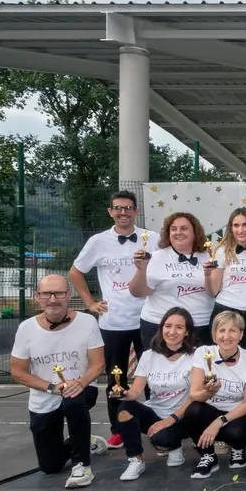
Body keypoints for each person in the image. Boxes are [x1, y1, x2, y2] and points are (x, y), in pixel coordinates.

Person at [69, 190, 159, 450]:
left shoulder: (150, 239)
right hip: (113, 321)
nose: (123, 212)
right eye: (118, 208)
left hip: (148, 319)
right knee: (115, 377)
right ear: (110, 212)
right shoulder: (98, 241)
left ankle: (157, 423)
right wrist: (90, 303)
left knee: (154, 374)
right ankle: (118, 428)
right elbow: (75, 273)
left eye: (128, 208)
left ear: (135, 212)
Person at [10, 274, 105, 488]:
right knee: (50, 467)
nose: (53, 299)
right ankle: (83, 440)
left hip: (81, 388)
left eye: (59, 293)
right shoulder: (26, 328)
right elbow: (17, 372)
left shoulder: (87, 322)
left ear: (69, 295)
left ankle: (82, 465)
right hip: (45, 396)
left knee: (73, 400)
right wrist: (52, 388)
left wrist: (80, 383)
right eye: (46, 293)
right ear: (37, 297)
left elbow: (98, 364)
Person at [111, 307, 197, 480]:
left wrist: (169, 420)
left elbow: (194, 396)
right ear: (161, 328)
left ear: (187, 332)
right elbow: (136, 391)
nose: (172, 332)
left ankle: (174, 445)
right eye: (168, 326)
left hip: (181, 416)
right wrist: (123, 393)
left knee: (162, 440)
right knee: (124, 407)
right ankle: (135, 459)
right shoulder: (149, 356)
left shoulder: (196, 356)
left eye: (179, 327)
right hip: (154, 413)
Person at [180, 311, 246, 478]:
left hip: (236, 414)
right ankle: (207, 455)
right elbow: (195, 394)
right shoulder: (203, 353)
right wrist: (208, 392)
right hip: (209, 411)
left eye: (232, 330)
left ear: (241, 335)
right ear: (214, 334)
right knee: (193, 411)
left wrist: (219, 422)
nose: (226, 336)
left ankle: (238, 448)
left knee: (238, 433)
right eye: (221, 330)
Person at [130, 211, 214, 348]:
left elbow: (214, 291)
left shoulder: (209, 257)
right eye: (173, 229)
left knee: (199, 369)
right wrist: (140, 269)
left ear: (195, 232)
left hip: (200, 325)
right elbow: (137, 292)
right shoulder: (155, 257)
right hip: (160, 326)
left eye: (184, 228)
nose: (178, 232)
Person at [206, 207, 246, 352]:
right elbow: (213, 291)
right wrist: (206, 276)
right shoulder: (222, 251)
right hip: (225, 311)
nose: (240, 230)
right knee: (222, 358)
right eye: (236, 225)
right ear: (230, 228)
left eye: (245, 225)